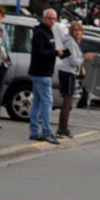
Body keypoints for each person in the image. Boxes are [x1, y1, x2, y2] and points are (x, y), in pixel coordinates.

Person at [27, 8, 62, 144]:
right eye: (49, 18)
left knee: (37, 102)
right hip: (40, 73)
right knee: (47, 102)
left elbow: (46, 52)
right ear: (43, 18)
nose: (52, 21)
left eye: (54, 18)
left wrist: (51, 70)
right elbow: (38, 52)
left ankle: (34, 131)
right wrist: (55, 52)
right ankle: (46, 132)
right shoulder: (40, 33)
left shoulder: (48, 32)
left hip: (44, 72)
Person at [57, 21, 94, 138]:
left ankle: (63, 128)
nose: (78, 33)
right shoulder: (71, 43)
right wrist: (85, 58)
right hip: (68, 73)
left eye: (79, 30)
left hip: (70, 73)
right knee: (67, 103)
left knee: (68, 103)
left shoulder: (73, 43)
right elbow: (73, 61)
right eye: (75, 30)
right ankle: (62, 129)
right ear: (71, 32)